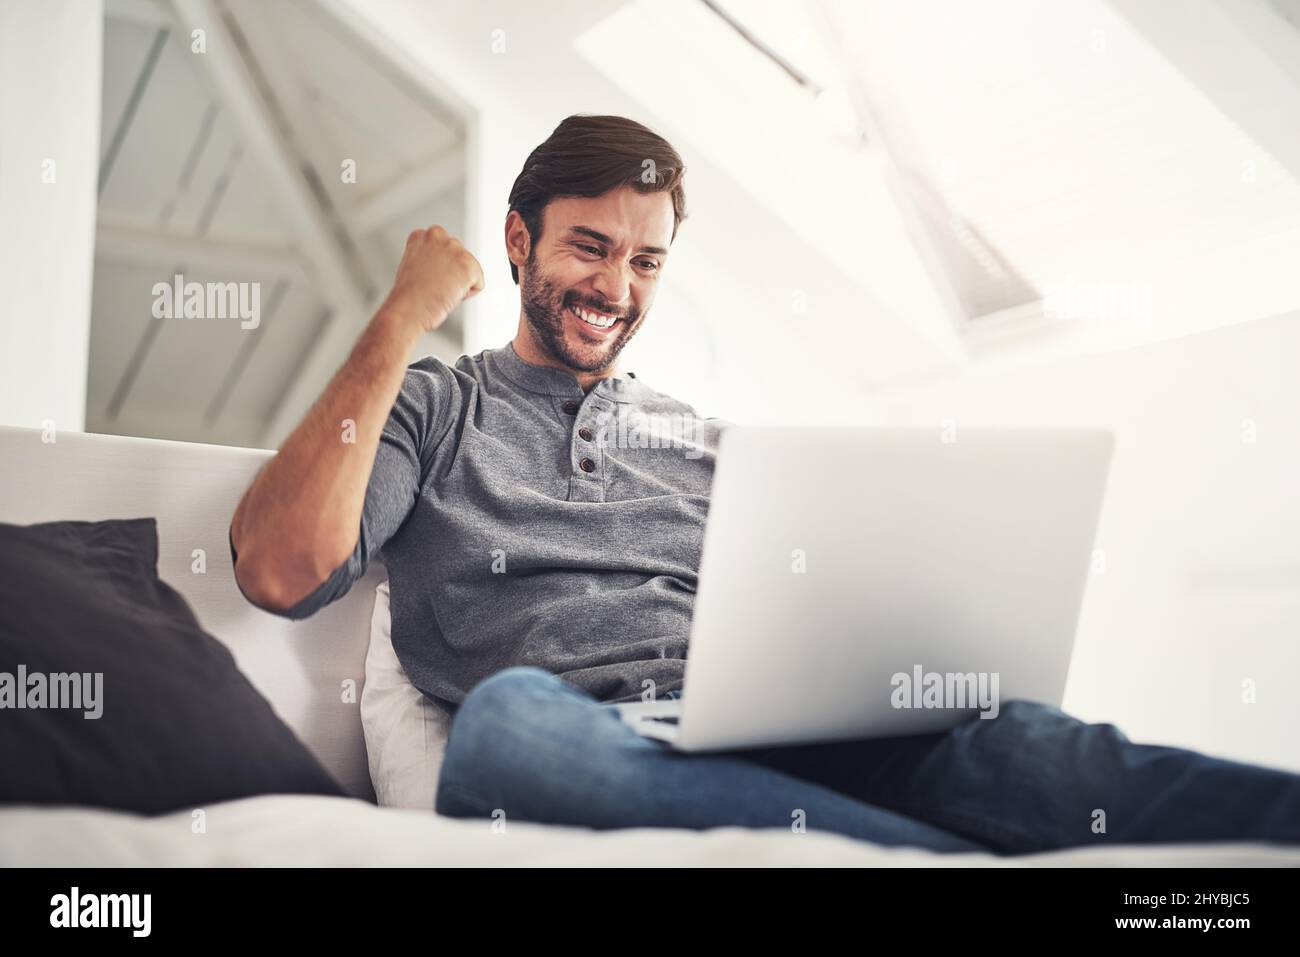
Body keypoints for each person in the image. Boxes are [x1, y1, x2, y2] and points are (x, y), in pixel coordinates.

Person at [229, 114, 1300, 855]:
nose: (614, 288)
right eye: (590, 249)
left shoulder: (706, 439)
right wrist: (404, 312)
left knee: (1023, 740)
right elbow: (281, 567)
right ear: (520, 240)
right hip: (586, 737)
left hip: (777, 724)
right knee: (510, 734)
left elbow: (829, 612)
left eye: (645, 262)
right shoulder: (436, 406)